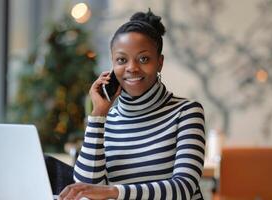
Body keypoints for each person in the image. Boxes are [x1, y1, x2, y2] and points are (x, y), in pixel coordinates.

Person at [59, 9, 205, 200]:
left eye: (143, 59)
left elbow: (183, 188)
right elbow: (85, 190)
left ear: (160, 63)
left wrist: (114, 191)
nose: (132, 68)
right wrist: (98, 114)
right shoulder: (105, 120)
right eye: (121, 60)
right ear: (112, 65)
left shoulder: (187, 112)